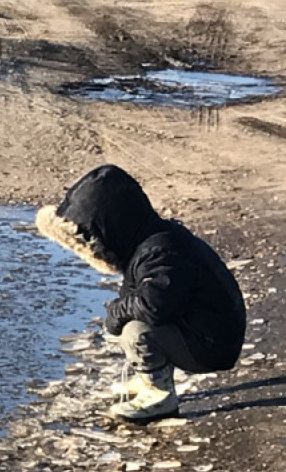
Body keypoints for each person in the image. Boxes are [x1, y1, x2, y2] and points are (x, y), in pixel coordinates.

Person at [36, 164, 246, 422]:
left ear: (111, 229)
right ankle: (151, 375)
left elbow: (154, 305)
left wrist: (117, 313)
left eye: (91, 241)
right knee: (132, 316)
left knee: (136, 330)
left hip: (213, 343)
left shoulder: (160, 251)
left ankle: (159, 394)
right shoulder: (150, 242)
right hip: (208, 329)